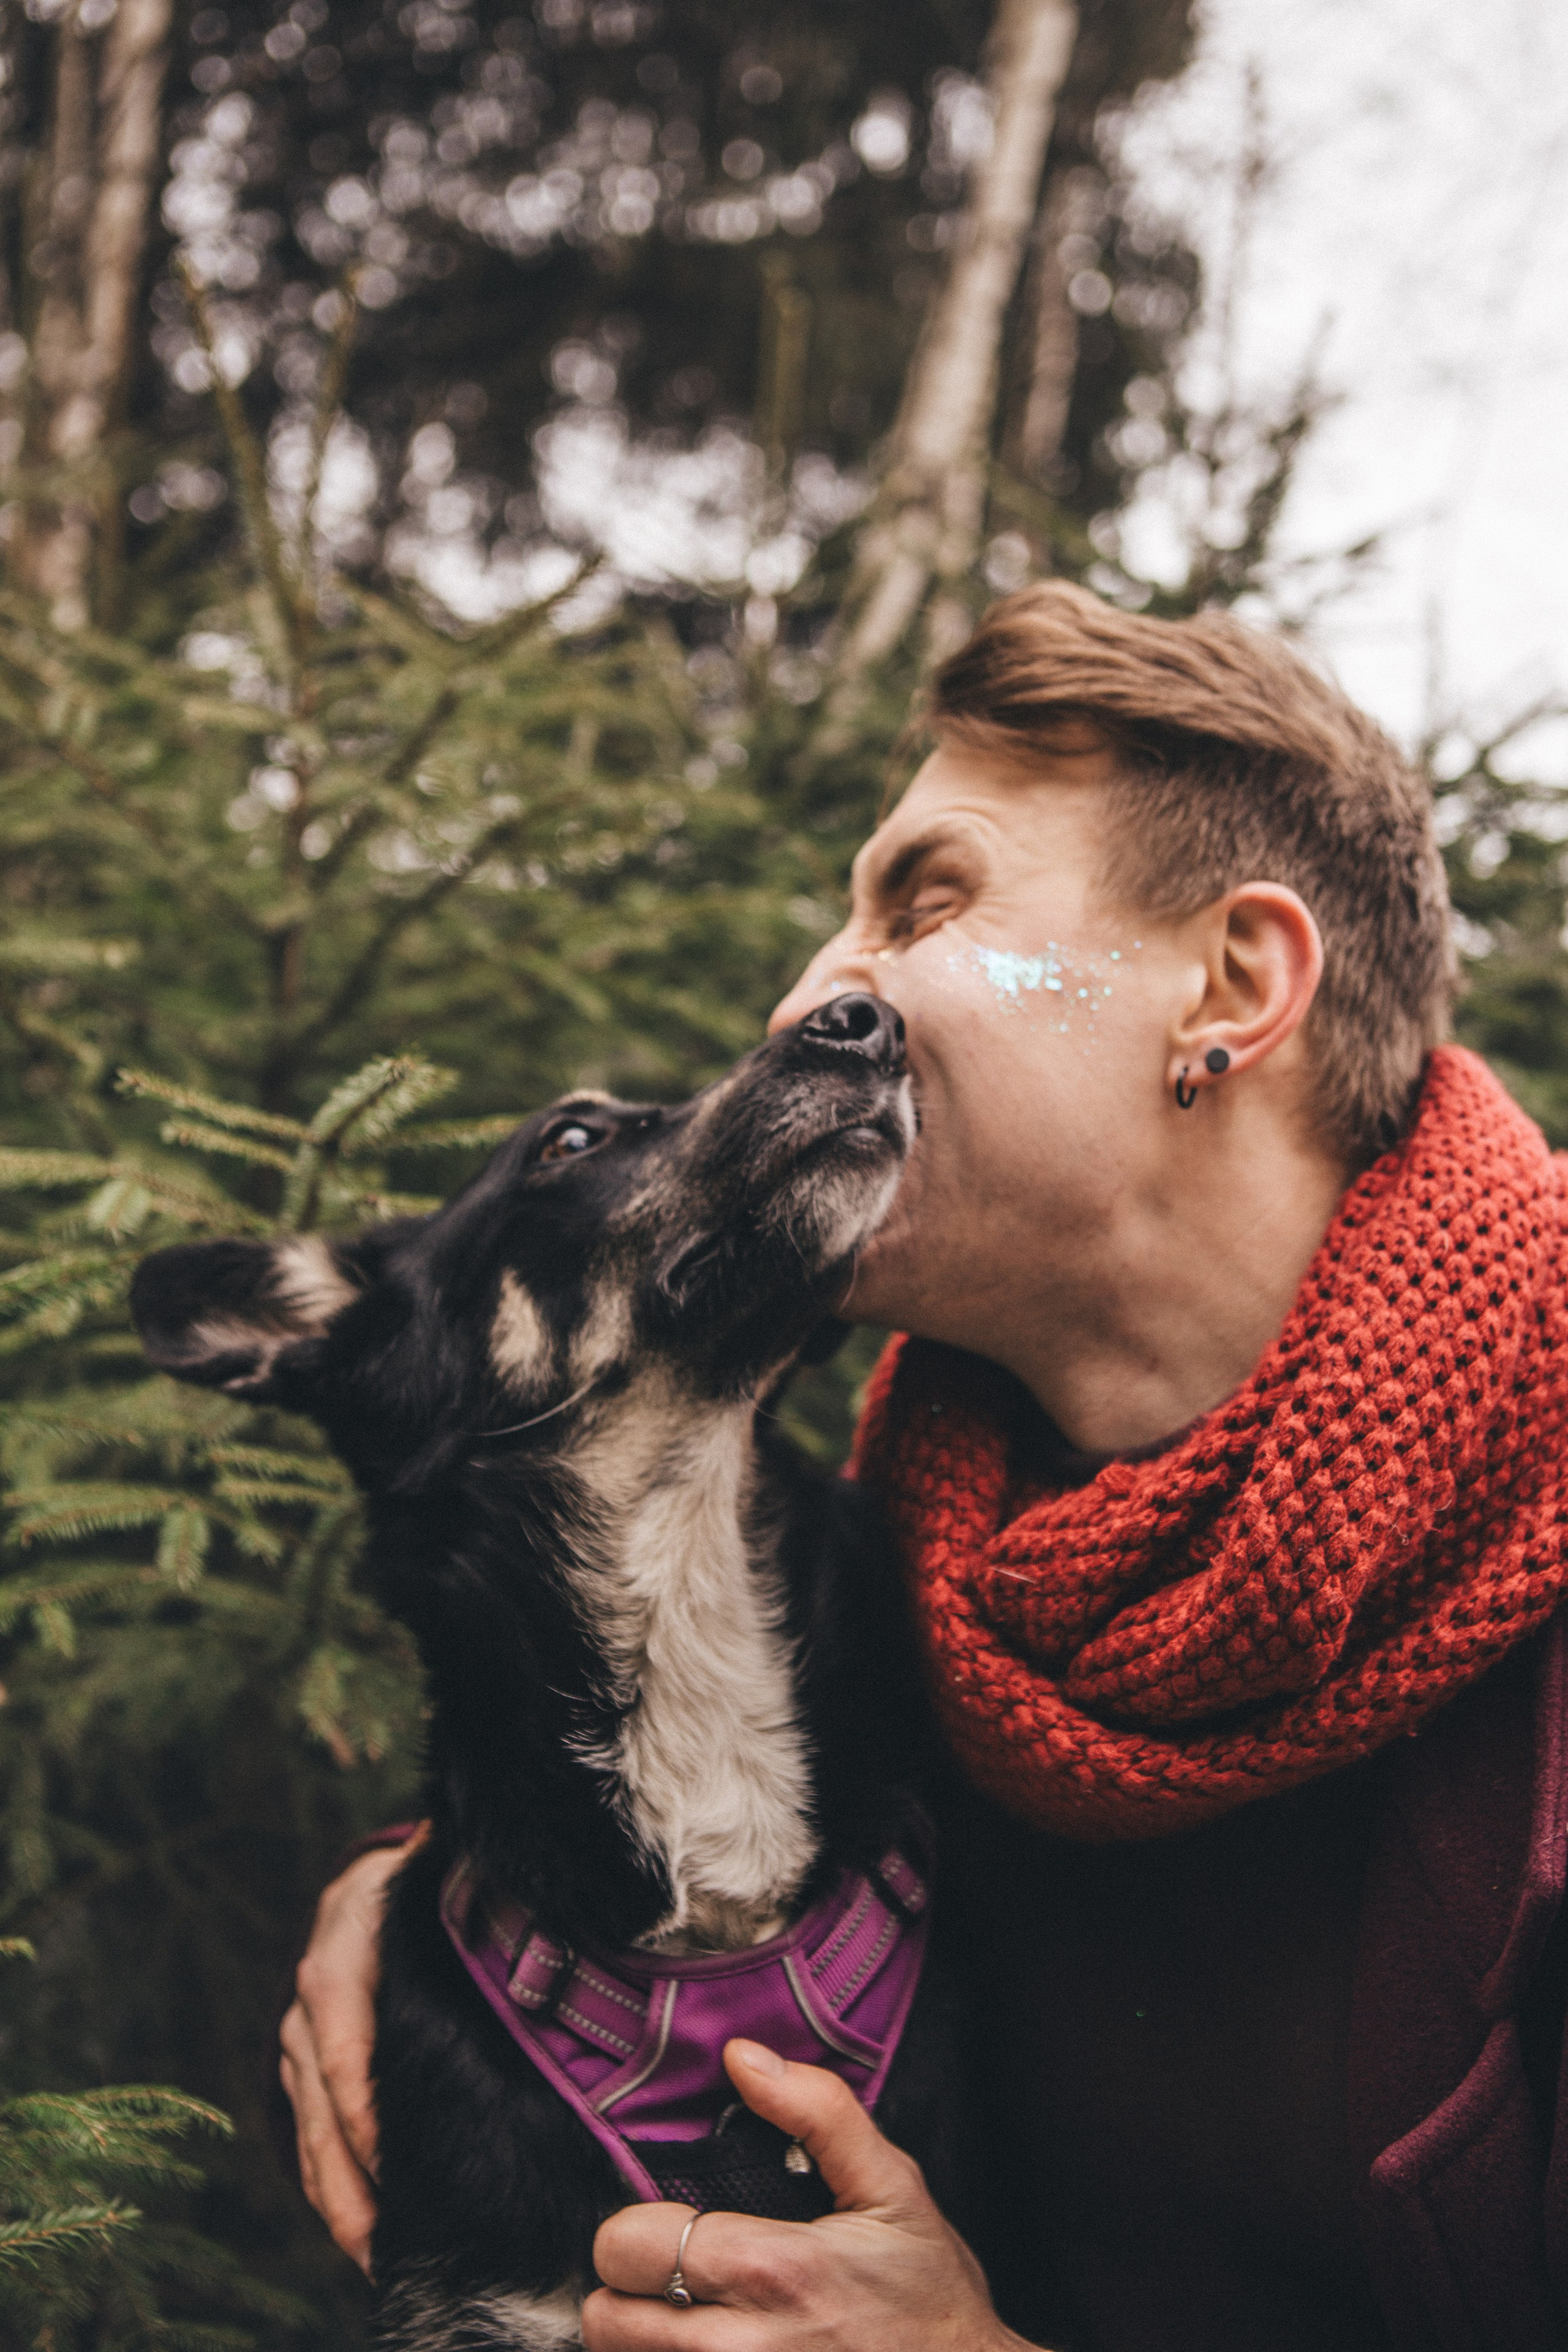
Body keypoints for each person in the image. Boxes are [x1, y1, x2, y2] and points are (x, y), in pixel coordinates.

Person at [278, 582, 1568, 2352]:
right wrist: (422, 1901)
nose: (813, 991)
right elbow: (656, 1763)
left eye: (927, 902)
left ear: (1231, 988)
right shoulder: (931, 1559)